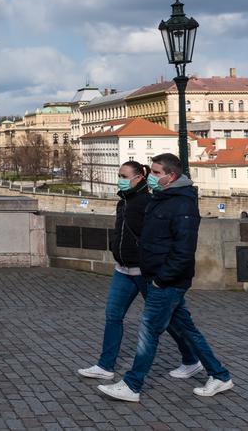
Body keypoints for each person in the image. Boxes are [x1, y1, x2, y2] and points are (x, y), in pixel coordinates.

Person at [98, 153, 234, 403]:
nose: (152, 177)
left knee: (148, 331)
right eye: (151, 172)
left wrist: (161, 278)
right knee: (187, 329)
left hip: (167, 280)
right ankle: (219, 374)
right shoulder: (162, 198)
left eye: (157, 173)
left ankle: (132, 384)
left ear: (171, 176)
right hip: (157, 276)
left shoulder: (182, 204)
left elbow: (183, 250)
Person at [77, 161, 200, 381]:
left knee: (171, 319)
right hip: (122, 269)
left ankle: (192, 360)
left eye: (124, 176)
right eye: (119, 175)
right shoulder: (123, 202)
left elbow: (156, 237)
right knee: (113, 316)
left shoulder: (147, 202)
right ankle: (105, 366)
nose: (120, 180)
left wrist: (154, 265)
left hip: (144, 271)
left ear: (138, 178)